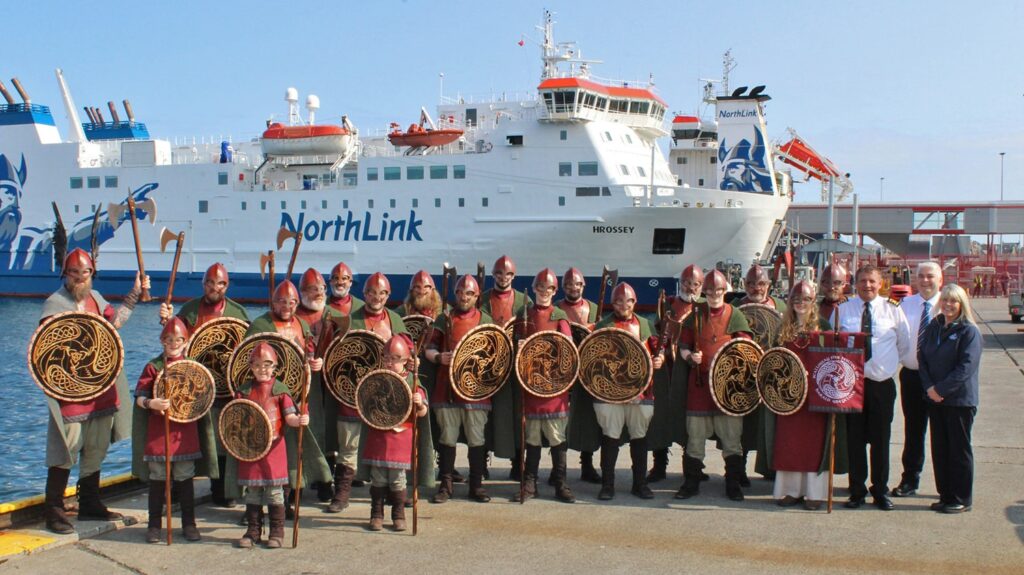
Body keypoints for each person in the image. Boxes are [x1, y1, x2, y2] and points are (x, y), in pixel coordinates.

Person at [40, 248, 149, 534]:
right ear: (66, 273)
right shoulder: (55, 303)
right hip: (70, 394)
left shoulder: (96, 299)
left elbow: (114, 327)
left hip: (100, 389)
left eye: (84, 272)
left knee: (96, 450)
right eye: (74, 273)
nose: (79, 277)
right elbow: (46, 351)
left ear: (92, 273)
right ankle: (54, 511)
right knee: (65, 451)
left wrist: (135, 293)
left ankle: (89, 503)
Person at [158, 262, 249, 507]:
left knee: (223, 440)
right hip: (194, 386)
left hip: (226, 388)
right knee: (184, 439)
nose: (214, 288)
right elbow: (174, 341)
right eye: (210, 283)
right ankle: (178, 489)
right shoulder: (189, 309)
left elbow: (246, 351)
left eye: (220, 283)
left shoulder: (238, 313)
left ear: (226, 285)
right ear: (204, 284)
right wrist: (168, 321)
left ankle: (223, 489)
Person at [242, 281, 332, 518]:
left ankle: (287, 502)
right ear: (273, 302)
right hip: (265, 397)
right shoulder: (261, 324)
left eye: (292, 302)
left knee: (292, 452)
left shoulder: (301, 323)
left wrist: (315, 361)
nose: (287, 306)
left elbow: (309, 351)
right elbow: (245, 359)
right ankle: (254, 507)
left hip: (295, 395)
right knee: (259, 449)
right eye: (282, 301)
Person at [760, 281, 846, 511]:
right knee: (790, 443)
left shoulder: (824, 326)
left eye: (806, 299)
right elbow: (774, 359)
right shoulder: (782, 328)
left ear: (813, 301)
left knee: (814, 446)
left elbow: (833, 360)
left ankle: (813, 494)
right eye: (796, 299)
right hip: (789, 396)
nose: (801, 303)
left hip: (815, 397)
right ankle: (790, 491)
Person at [133, 318, 216, 542]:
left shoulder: (193, 367)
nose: (174, 344)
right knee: (158, 478)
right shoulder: (154, 366)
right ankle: (154, 526)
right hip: (159, 432)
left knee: (185, 478)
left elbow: (202, 396)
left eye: (179, 340)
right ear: (162, 341)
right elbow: (139, 396)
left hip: (183, 433)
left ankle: (189, 524)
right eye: (169, 340)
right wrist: (152, 403)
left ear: (185, 342)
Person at [837, 264, 911, 511]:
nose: (867, 285)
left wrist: (884, 365)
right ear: (854, 283)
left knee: (881, 440)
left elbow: (903, 344)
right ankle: (856, 490)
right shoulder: (843, 310)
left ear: (880, 284)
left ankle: (880, 490)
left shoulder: (892, 310)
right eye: (862, 281)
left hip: (881, 385)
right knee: (855, 440)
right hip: (852, 386)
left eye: (872, 281)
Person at [675, 270, 753, 501]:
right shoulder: (695, 315)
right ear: (704, 291)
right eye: (709, 291)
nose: (714, 295)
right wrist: (690, 357)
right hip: (699, 386)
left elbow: (746, 347)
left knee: (732, 438)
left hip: (726, 389)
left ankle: (733, 484)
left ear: (724, 291)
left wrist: (732, 359)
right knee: (695, 438)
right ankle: (691, 482)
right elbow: (684, 345)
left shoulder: (734, 314)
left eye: (718, 290)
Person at [424, 274, 496, 503]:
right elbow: (429, 347)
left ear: (477, 296)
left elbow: (496, 355)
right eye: (460, 293)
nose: (464, 297)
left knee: (476, 439)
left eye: (469, 293)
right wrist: (438, 358)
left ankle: (476, 486)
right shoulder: (443, 319)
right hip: (447, 388)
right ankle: (445, 486)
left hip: (476, 391)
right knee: (448, 437)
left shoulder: (486, 320)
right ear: (455, 294)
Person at [591, 282, 664, 501]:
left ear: (634, 302)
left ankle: (639, 484)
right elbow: (593, 360)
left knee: (639, 437)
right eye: (619, 301)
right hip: (609, 392)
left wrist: (659, 359)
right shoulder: (602, 325)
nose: (624, 305)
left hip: (641, 391)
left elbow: (657, 350)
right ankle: (607, 485)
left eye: (628, 301)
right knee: (610, 438)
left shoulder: (645, 324)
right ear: (613, 303)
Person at [233, 343, 310, 549]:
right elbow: (234, 420)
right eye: (257, 365)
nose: (262, 369)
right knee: (254, 492)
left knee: (275, 492)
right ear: (251, 367)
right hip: (251, 449)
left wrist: (299, 419)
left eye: (267, 365)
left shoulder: (280, 391)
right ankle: (253, 531)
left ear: (275, 366)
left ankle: (277, 532)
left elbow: (289, 417)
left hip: (275, 447)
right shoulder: (243, 392)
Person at [512, 269, 576, 503]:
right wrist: (520, 347)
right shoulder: (524, 313)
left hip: (554, 386)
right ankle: (530, 483)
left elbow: (567, 348)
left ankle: (561, 483)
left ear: (554, 290)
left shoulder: (559, 316)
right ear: (534, 288)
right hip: (530, 383)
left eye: (549, 288)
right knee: (533, 438)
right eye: (540, 287)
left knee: (557, 437)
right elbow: (516, 344)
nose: (544, 292)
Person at [919, 284, 981, 514]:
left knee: (958, 449)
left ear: (961, 304)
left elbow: (965, 368)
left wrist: (941, 390)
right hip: (934, 398)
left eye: (953, 301)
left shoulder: (969, 331)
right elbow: (922, 357)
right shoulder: (935, 326)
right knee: (940, 449)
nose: (948, 305)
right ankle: (946, 494)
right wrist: (929, 387)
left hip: (959, 401)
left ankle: (961, 497)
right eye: (945, 300)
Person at [647, 264, 704, 483]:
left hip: (691, 368)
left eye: (696, 284)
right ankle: (659, 465)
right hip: (667, 368)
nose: (691, 287)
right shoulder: (668, 303)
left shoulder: (704, 307)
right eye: (688, 283)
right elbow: (656, 333)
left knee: (691, 419)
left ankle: (693, 467)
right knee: (660, 416)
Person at [294, 268, 345, 503]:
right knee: (306, 431)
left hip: (329, 383)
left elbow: (345, 346)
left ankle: (326, 481)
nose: (319, 293)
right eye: (313, 289)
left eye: (322, 289)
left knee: (329, 432)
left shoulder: (336, 315)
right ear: (302, 291)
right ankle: (300, 485)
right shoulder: (292, 316)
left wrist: (328, 360)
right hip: (300, 386)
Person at [891, 262, 942, 498]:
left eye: (930, 276)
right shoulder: (906, 305)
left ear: (940, 280)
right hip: (912, 377)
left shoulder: (948, 304)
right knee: (913, 431)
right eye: (920, 276)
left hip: (940, 381)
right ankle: (909, 480)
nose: (924, 281)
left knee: (942, 433)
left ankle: (947, 485)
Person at [733, 263, 787, 485]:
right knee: (742, 428)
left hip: (772, 375)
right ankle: (738, 470)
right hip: (743, 375)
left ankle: (771, 467)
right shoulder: (735, 308)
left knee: (771, 425)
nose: (757, 288)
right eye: (752, 283)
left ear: (769, 285)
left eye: (761, 283)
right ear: (745, 284)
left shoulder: (781, 307)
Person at [556, 267, 602, 484]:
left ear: (583, 286)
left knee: (587, 419)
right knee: (561, 420)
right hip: (563, 371)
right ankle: (560, 470)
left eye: (577, 284)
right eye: (568, 285)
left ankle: (587, 465)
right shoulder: (556, 310)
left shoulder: (594, 309)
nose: (573, 288)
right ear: (563, 287)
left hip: (588, 370)